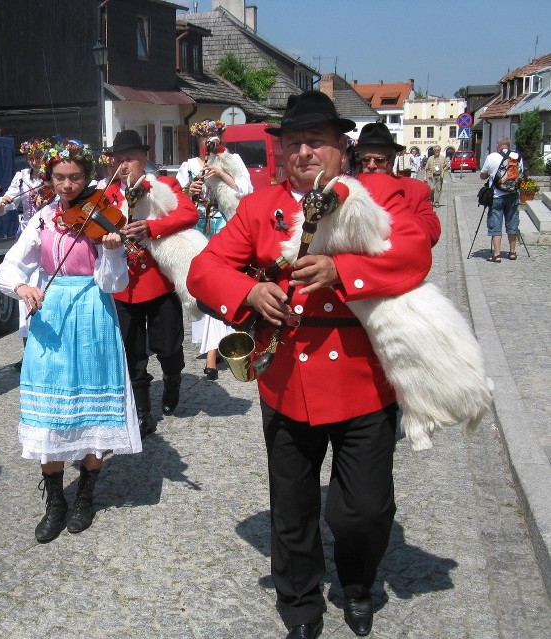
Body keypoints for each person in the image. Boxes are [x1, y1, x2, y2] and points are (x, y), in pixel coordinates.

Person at [188, 91, 432, 639]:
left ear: (340, 148)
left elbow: (415, 252)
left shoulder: (372, 198)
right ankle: (299, 602)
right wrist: (248, 295)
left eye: (316, 141)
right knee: (293, 508)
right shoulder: (259, 208)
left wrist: (343, 269)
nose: (304, 151)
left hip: (364, 379)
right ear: (282, 151)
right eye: (294, 142)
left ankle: (359, 584)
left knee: (363, 511)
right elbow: (204, 269)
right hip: (286, 380)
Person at [0, 141, 141, 543]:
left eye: (75, 177)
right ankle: (55, 501)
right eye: (60, 177)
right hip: (51, 313)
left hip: (93, 311)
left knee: (92, 408)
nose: (68, 185)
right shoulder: (42, 219)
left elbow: (114, 284)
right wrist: (23, 287)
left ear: (86, 176)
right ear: (49, 178)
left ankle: (86, 496)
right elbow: (10, 266)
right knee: (49, 412)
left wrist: (111, 253)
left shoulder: (103, 218)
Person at [103, 130, 199, 436]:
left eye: (130, 158)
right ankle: (143, 412)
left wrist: (153, 227)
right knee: (132, 353)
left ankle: (173, 378)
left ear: (144, 159)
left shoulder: (164, 184)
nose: (124, 164)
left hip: (158, 281)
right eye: (119, 159)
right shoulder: (106, 194)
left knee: (168, 346)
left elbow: (189, 213)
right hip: (124, 285)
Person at [175, 119, 253, 380]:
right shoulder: (189, 166)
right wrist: (190, 191)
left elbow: (247, 189)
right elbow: (177, 200)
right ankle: (214, 347)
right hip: (198, 227)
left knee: (219, 284)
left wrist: (222, 174)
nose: (210, 139)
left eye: (215, 135)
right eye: (205, 136)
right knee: (203, 285)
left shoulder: (233, 160)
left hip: (224, 226)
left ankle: (213, 354)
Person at [0, 138, 52, 369]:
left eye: (38, 157)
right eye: (31, 157)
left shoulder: (52, 178)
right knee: (23, 293)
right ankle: (27, 349)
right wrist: (1, 204)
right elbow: (6, 203)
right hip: (26, 236)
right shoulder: (22, 177)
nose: (34, 161)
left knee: (44, 288)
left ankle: (46, 343)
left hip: (47, 234)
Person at [355, 122, 441, 245]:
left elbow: (431, 232)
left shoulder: (415, 189)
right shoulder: (350, 188)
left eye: (379, 160)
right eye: (366, 159)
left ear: (392, 160)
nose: (371, 165)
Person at [480, 136, 524, 262]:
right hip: (513, 194)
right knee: (512, 222)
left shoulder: (492, 157)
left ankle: (497, 254)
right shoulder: (517, 157)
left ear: (498, 146)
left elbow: (482, 175)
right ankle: (512, 252)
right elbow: (520, 174)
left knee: (495, 223)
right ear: (509, 146)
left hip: (497, 195)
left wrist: (490, 174)